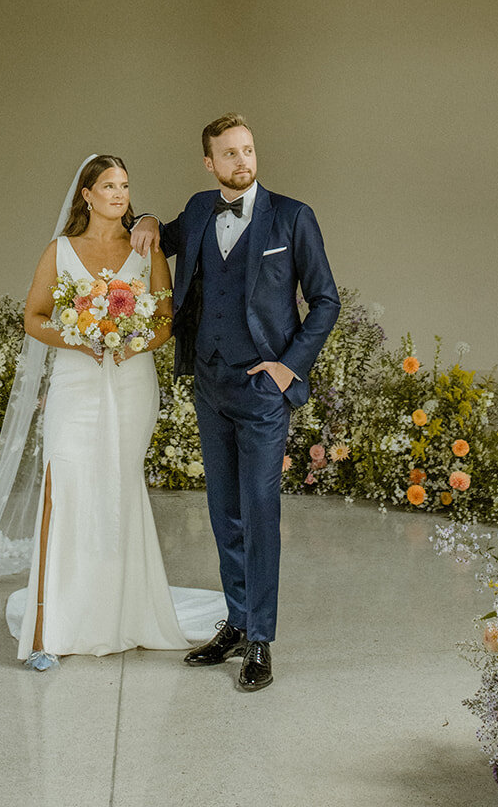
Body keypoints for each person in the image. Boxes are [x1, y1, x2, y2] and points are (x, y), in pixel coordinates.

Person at [0, 153, 223, 669]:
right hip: (76, 382)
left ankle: (122, 613)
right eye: (108, 186)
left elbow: (166, 320)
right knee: (64, 490)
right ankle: (48, 630)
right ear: (86, 194)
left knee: (118, 489)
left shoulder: (146, 248)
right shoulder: (59, 252)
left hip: (130, 383)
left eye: (125, 186)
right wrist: (79, 338)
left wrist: (132, 343)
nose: (119, 194)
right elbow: (33, 317)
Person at [131, 113, 340, 692]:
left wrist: (286, 368)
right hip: (210, 383)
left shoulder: (293, 217)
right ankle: (237, 623)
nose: (242, 161)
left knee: (259, 513)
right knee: (224, 511)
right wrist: (146, 218)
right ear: (209, 162)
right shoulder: (201, 208)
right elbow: (161, 236)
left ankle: (262, 641)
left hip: (261, 390)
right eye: (229, 154)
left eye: (248, 150)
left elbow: (325, 301)